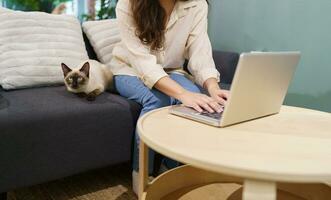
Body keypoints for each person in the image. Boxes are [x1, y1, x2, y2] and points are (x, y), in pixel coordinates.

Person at [110, 0, 229, 194]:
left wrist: (213, 88)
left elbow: (200, 50)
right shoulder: (127, 4)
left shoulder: (197, 4)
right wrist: (182, 94)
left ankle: (173, 167)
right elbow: (141, 61)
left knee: (198, 100)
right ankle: (141, 175)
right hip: (130, 69)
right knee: (157, 101)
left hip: (172, 70)